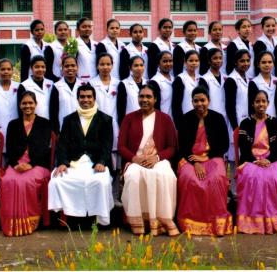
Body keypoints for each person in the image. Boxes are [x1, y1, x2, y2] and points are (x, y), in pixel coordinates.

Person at [118, 85, 180, 236]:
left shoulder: (165, 119)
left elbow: (172, 147)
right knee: (133, 177)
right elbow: (121, 146)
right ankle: (138, 222)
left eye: (148, 97)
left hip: (158, 159)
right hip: (135, 160)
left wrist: (156, 157)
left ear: (155, 99)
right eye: (141, 96)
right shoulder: (129, 118)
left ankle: (160, 221)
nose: (144, 100)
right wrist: (135, 159)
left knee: (165, 176)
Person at [48, 85, 114, 225]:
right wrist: (62, 163)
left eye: (89, 97)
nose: (86, 100)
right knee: (58, 180)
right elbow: (62, 145)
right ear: (77, 99)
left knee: (100, 182)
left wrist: (102, 161)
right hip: (73, 163)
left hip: (96, 163)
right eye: (82, 97)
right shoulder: (69, 119)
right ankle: (69, 216)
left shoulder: (106, 119)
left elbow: (107, 145)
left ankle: (99, 218)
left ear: (94, 98)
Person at [176, 86, 232, 236]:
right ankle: (190, 223)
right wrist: (196, 163)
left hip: (213, 157)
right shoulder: (185, 119)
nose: (200, 104)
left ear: (209, 101)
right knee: (189, 179)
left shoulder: (218, 118)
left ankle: (216, 223)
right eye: (196, 101)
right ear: (192, 102)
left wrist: (206, 157)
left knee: (216, 179)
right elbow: (181, 146)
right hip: (190, 159)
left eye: (203, 100)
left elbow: (224, 144)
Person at [236, 90, 277, 234]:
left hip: (271, 160)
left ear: (268, 103)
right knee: (253, 178)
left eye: (263, 101)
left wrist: (268, 159)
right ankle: (251, 222)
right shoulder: (245, 123)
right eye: (257, 101)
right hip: (251, 160)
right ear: (252, 104)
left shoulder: (275, 122)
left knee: (271, 178)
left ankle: (272, 221)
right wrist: (256, 160)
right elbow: (243, 147)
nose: (260, 104)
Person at [0, 91, 52, 236]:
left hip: (38, 164)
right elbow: (9, 148)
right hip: (16, 163)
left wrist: (31, 164)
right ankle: (12, 222)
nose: (27, 106)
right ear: (19, 105)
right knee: (8, 181)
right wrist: (16, 163)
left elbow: (44, 149)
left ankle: (30, 220)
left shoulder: (44, 123)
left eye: (30, 103)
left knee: (27, 182)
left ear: (36, 104)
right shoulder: (13, 124)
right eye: (24, 103)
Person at [89, 53, 121, 205]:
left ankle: (114, 196)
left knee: (116, 166)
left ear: (112, 65)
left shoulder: (118, 84)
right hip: (98, 129)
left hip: (116, 127)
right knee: (102, 161)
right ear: (97, 66)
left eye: (108, 64)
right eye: (102, 64)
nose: (105, 67)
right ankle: (102, 198)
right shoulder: (91, 84)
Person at [224, 49, 251, 197]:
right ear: (235, 62)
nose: (245, 63)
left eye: (247, 61)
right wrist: (236, 127)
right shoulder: (231, 80)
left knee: (244, 157)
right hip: (236, 125)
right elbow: (230, 106)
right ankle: (234, 192)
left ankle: (243, 188)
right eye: (242, 61)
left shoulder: (248, 79)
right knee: (234, 160)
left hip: (246, 124)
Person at [49, 55, 82, 134]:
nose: (70, 68)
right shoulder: (57, 87)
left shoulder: (83, 85)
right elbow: (53, 112)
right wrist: (57, 131)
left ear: (77, 67)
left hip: (81, 129)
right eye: (66, 66)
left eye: (73, 65)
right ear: (62, 68)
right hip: (63, 129)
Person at [18, 55, 54, 120]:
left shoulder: (51, 83)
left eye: (43, 67)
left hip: (49, 123)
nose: (40, 69)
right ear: (31, 68)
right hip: (32, 123)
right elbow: (20, 109)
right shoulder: (24, 85)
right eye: (37, 67)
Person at [171, 50, 200, 128]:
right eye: (191, 60)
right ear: (185, 62)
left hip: (200, 118)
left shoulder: (201, 78)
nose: (194, 63)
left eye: (196, 60)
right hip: (185, 118)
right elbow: (176, 105)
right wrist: (179, 124)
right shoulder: (180, 79)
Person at [117, 56, 147, 126]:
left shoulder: (148, 83)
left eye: (141, 65)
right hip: (130, 123)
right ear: (130, 68)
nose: (139, 68)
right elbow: (121, 109)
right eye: (136, 65)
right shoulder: (124, 84)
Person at [248, 51, 277, 117]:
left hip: (276, 120)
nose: (267, 65)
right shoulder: (254, 82)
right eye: (264, 62)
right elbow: (251, 106)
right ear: (258, 64)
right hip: (260, 120)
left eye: (270, 62)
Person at [148, 51, 174, 116]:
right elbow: (154, 106)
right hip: (161, 120)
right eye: (165, 61)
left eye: (170, 61)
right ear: (158, 63)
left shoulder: (175, 79)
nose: (168, 64)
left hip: (174, 121)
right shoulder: (155, 81)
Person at [75, 17, 97, 83]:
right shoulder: (73, 44)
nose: (87, 29)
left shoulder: (97, 44)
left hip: (96, 79)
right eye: (84, 27)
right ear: (78, 30)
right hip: (81, 79)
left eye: (89, 26)